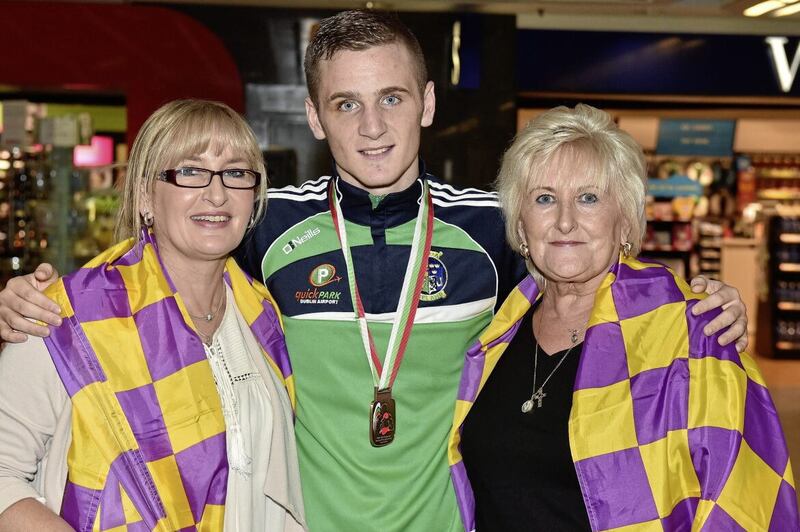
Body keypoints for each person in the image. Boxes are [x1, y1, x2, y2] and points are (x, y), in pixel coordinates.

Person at [0, 12, 749, 532]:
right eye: (346, 104)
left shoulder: (494, 228)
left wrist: (703, 300)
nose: (372, 127)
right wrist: (33, 296)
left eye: (392, 98)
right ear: (315, 116)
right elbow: (157, 258)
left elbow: (587, 256)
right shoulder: (264, 226)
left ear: (426, 102)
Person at [453, 104, 798, 531]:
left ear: (625, 223)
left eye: (589, 198)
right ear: (522, 227)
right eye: (544, 198)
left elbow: (747, 504)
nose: (564, 221)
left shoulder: (692, 331)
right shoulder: (495, 332)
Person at [0, 100, 306, 531]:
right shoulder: (66, 318)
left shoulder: (264, 317)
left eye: (236, 173)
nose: (217, 194)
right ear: (146, 196)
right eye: (190, 172)